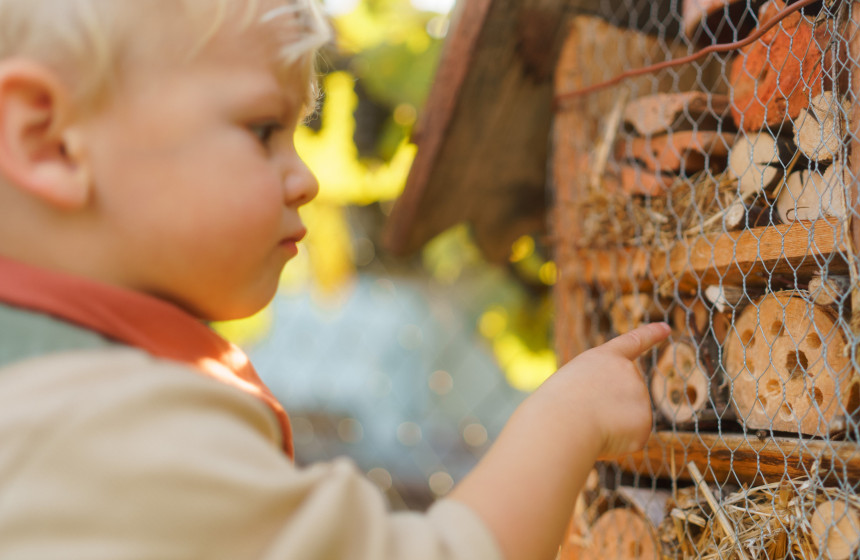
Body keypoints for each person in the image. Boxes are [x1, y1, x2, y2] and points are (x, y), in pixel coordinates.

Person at [0, 1, 672, 558]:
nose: (307, 178)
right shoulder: (111, 428)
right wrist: (567, 420)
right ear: (49, 141)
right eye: (263, 128)